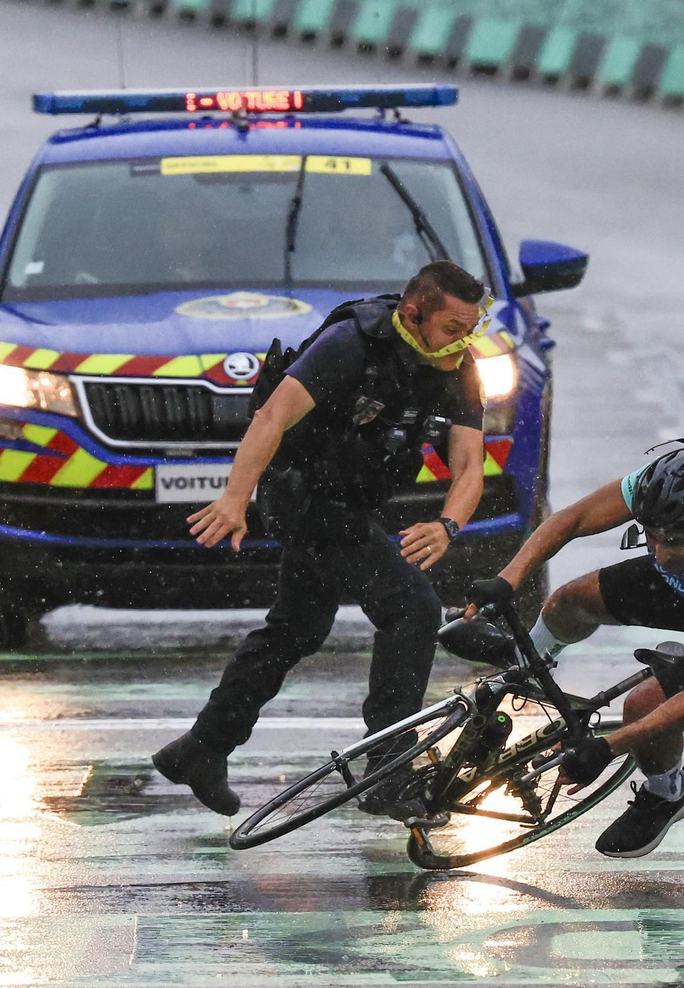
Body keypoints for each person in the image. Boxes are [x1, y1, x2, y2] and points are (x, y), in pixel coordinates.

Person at [153, 261, 490, 815]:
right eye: (453, 329)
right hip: (303, 496)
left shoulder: (455, 365)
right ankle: (389, 765)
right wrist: (235, 498)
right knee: (412, 608)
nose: (463, 343)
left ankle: (201, 748)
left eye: (471, 330)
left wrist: (448, 524)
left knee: (297, 628)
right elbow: (270, 419)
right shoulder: (350, 343)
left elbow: (469, 464)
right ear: (412, 314)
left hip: (355, 502)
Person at [441, 441, 684, 858]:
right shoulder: (666, 494)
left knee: (644, 707)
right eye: (651, 536)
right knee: (570, 601)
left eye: (673, 541)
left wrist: (608, 748)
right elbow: (574, 519)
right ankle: (521, 667)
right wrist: (508, 579)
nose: (659, 554)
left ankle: (668, 793)